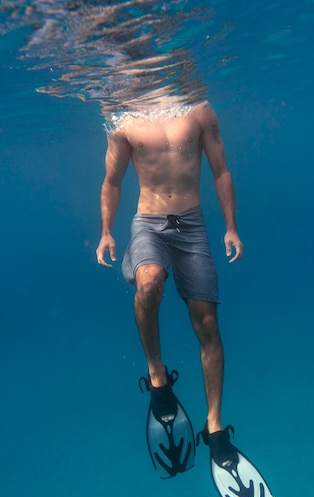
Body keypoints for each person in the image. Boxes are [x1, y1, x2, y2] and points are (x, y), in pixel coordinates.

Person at [95, 100, 243, 439]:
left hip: (191, 224)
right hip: (148, 222)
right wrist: (106, 231)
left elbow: (221, 170)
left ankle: (215, 425)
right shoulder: (124, 121)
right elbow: (111, 181)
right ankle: (157, 375)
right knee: (149, 283)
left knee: (207, 322)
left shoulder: (200, 110)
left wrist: (231, 227)